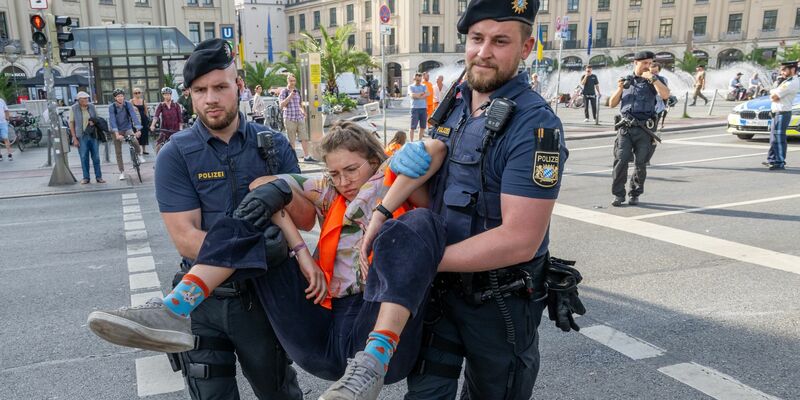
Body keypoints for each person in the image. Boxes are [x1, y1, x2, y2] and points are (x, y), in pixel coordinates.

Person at [88, 118, 450, 400]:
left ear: (375, 160)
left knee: (421, 221)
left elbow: (434, 151)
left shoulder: (392, 178)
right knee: (266, 209)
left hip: (378, 324)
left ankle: (373, 359)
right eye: (335, 173)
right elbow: (261, 186)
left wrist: (381, 215)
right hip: (322, 332)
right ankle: (178, 308)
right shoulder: (327, 192)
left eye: (352, 170)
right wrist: (300, 252)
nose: (343, 182)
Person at [89, 39, 303, 400]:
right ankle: (172, 310)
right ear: (189, 94)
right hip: (205, 305)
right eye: (200, 90)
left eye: (220, 86)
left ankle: (168, 308)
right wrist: (257, 249)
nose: (211, 98)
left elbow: (307, 220)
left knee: (280, 393)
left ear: (238, 86)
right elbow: (186, 238)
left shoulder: (274, 145)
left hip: (264, 301)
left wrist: (281, 187)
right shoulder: (177, 153)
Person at [391, 1, 581, 398]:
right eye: (477, 39)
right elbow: (438, 202)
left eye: (500, 41)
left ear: (526, 48)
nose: (484, 52)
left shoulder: (535, 125)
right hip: (442, 296)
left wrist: (423, 259)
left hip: (498, 306)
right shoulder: (456, 104)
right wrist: (402, 176)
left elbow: (520, 239)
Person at [608, 51, 670, 207]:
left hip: (644, 128)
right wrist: (620, 88)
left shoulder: (656, 80)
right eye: (645, 63)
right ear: (636, 63)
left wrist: (654, 79)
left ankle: (635, 193)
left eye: (650, 63)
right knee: (621, 160)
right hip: (626, 128)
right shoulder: (627, 81)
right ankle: (618, 195)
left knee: (640, 164)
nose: (648, 66)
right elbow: (612, 103)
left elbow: (665, 95)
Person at [764, 60, 799, 170]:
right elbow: (774, 95)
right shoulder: (786, 81)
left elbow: (774, 97)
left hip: (782, 113)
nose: (781, 72)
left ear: (792, 69)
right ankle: (772, 159)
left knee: (778, 138)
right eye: (781, 69)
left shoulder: (791, 82)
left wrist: (772, 91)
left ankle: (779, 162)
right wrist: (774, 90)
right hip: (777, 113)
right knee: (773, 138)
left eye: (784, 69)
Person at [69, 91, 104, 184]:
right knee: (84, 157)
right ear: (79, 100)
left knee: (96, 157)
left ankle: (99, 177)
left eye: (87, 98)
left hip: (93, 135)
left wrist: (94, 121)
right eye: (84, 99)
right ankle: (86, 177)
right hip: (81, 136)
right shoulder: (74, 108)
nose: (86, 100)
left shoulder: (92, 106)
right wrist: (74, 138)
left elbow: (98, 118)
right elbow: (71, 123)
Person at [108, 88, 143, 181]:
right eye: (118, 96)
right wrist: (116, 134)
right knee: (118, 152)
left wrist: (138, 129)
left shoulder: (128, 104)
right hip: (116, 130)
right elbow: (112, 121)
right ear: (115, 98)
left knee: (134, 140)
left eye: (121, 96)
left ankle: (139, 154)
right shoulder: (112, 107)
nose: (120, 98)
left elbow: (133, 116)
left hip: (127, 127)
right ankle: (122, 172)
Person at [279, 73, 315, 162]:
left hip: (299, 117)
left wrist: (303, 112)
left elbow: (300, 104)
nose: (292, 82)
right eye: (291, 81)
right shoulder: (284, 92)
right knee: (292, 140)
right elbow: (281, 105)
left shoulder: (297, 91)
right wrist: (290, 96)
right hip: (289, 118)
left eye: (294, 81)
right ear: (287, 81)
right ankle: (294, 158)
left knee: (304, 138)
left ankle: (306, 157)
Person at [150, 87, 183, 153]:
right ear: (163, 95)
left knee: (179, 146)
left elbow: (180, 118)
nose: (167, 96)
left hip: (175, 129)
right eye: (165, 94)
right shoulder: (161, 105)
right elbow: (156, 116)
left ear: (171, 95)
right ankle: (159, 160)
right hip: (165, 129)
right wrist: (152, 125)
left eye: (168, 94)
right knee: (158, 145)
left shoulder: (176, 105)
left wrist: (180, 129)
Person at [408, 73, 429, 142]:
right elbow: (412, 96)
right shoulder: (411, 86)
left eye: (420, 80)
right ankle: (411, 141)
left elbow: (427, 94)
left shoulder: (424, 86)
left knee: (422, 126)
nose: (419, 81)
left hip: (423, 108)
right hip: (414, 108)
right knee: (412, 126)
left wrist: (417, 95)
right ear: (414, 79)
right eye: (417, 80)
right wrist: (422, 94)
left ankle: (420, 140)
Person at [130, 88, 151, 156]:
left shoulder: (143, 101)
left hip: (144, 119)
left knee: (144, 134)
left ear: (141, 93)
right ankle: (138, 150)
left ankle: (144, 150)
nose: (137, 94)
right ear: (133, 94)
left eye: (139, 92)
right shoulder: (131, 101)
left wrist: (147, 119)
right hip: (135, 120)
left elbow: (146, 110)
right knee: (136, 135)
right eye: (135, 93)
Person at [0, 96, 11, 161]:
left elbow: (6, 110)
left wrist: (7, 119)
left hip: (3, 122)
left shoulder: (1, 100)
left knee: (5, 138)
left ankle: (9, 154)